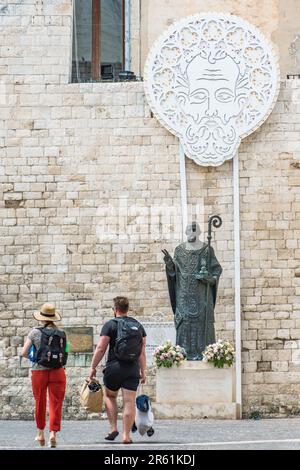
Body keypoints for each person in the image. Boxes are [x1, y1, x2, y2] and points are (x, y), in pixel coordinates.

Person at [89, 296, 146, 444]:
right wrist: (143, 371)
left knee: (110, 396)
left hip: (114, 367)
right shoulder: (138, 326)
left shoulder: (110, 325)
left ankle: (113, 428)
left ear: (115, 309)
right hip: (132, 368)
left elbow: (101, 348)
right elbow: (142, 352)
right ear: (127, 309)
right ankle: (126, 436)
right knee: (129, 402)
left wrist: (93, 367)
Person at [162, 221, 222, 360]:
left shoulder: (207, 250)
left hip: (201, 297)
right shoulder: (179, 250)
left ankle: (205, 356)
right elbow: (174, 274)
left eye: (194, 229)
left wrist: (210, 279)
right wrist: (170, 265)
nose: (191, 232)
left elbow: (216, 270)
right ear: (186, 232)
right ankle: (182, 356)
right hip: (184, 296)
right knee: (185, 326)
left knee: (201, 327)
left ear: (199, 232)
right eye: (189, 230)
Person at [21, 303, 67, 448]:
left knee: (39, 401)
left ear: (41, 317)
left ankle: (40, 434)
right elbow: (65, 352)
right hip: (58, 372)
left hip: (39, 372)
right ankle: (53, 434)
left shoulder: (34, 332)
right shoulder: (62, 333)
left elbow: (23, 352)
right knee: (56, 403)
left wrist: (36, 359)